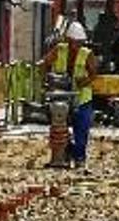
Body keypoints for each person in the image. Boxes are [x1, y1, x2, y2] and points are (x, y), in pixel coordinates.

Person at [41, 22, 98, 167]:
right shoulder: (60, 50)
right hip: (61, 97)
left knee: (81, 131)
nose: (76, 46)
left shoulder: (87, 54)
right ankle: (63, 155)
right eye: (73, 42)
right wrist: (47, 77)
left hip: (81, 98)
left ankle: (79, 157)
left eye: (79, 43)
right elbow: (45, 63)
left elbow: (93, 74)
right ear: (68, 40)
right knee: (59, 129)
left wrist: (84, 81)